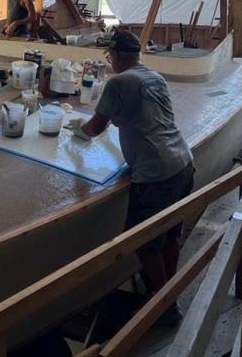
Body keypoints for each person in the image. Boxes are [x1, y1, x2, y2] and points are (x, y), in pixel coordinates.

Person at [68, 30, 195, 325]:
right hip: (182, 163)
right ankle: (167, 291)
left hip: (156, 176)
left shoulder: (119, 82)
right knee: (169, 235)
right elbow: (147, 121)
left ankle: (163, 306)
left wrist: (75, 131)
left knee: (143, 241)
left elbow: (96, 127)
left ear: (114, 56)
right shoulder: (154, 77)